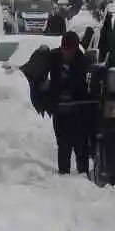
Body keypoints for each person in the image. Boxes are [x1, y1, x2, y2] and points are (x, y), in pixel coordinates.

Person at [40, 31, 95, 175]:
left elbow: (86, 87)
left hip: (79, 112)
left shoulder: (83, 62)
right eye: (65, 50)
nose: (67, 54)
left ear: (76, 49)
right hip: (60, 111)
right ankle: (63, 174)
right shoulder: (53, 58)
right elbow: (39, 75)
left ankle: (83, 175)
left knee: (81, 146)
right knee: (63, 145)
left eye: (71, 50)